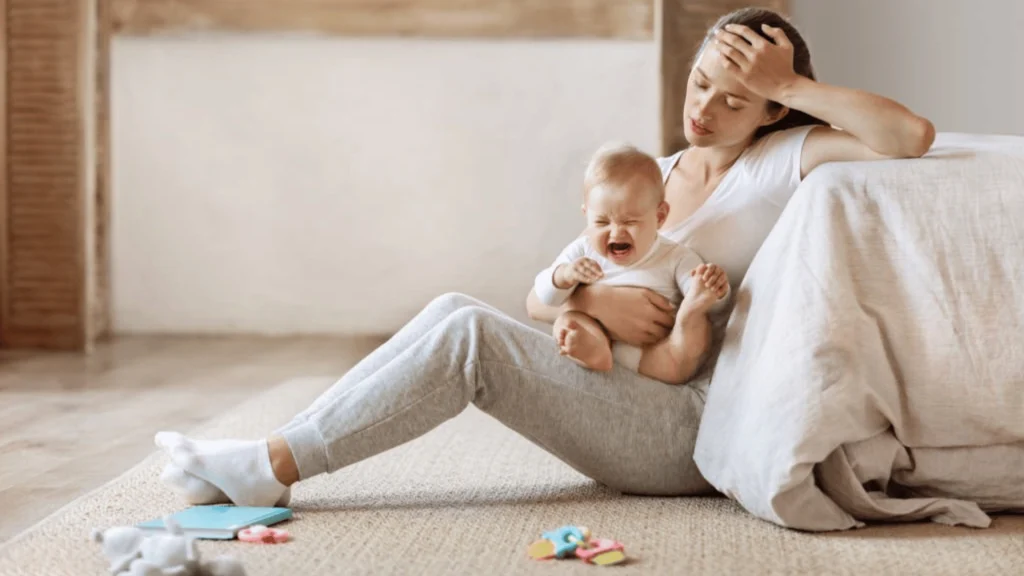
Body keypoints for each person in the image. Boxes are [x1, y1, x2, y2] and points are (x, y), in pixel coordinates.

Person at [154, 7, 936, 507]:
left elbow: (910, 139)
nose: (703, 109)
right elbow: (542, 300)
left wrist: (795, 82)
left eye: (734, 99)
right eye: (700, 84)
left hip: (689, 430)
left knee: (470, 342)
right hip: (623, 389)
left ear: (774, 108)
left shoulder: (784, 158)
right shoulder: (654, 178)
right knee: (455, 309)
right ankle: (275, 454)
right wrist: (591, 303)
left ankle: (271, 465)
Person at [533, 142, 730, 384]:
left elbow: (710, 299)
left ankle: (688, 317)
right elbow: (544, 296)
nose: (615, 233)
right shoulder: (582, 251)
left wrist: (705, 290)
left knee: (698, 329)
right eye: (602, 222)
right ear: (586, 214)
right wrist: (564, 275)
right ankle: (593, 351)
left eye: (630, 222)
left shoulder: (674, 256)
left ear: (659, 217)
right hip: (597, 337)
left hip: (654, 353)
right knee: (567, 322)